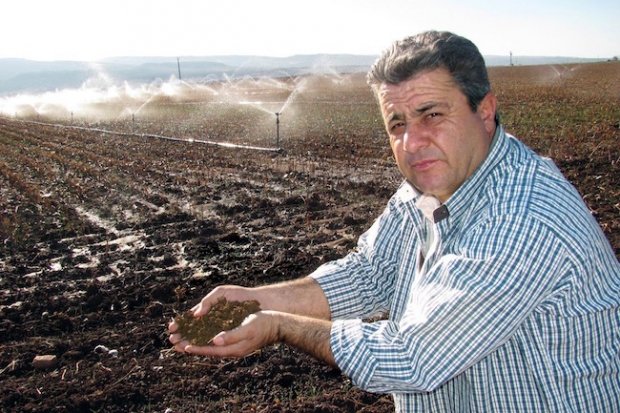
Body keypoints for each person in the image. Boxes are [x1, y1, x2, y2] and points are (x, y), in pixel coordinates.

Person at [169, 31, 620, 412]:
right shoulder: (427, 188)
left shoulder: (524, 217)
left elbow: (414, 356)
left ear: (485, 111)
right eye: (397, 124)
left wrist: (278, 325)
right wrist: (253, 300)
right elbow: (369, 272)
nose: (412, 142)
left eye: (432, 115)